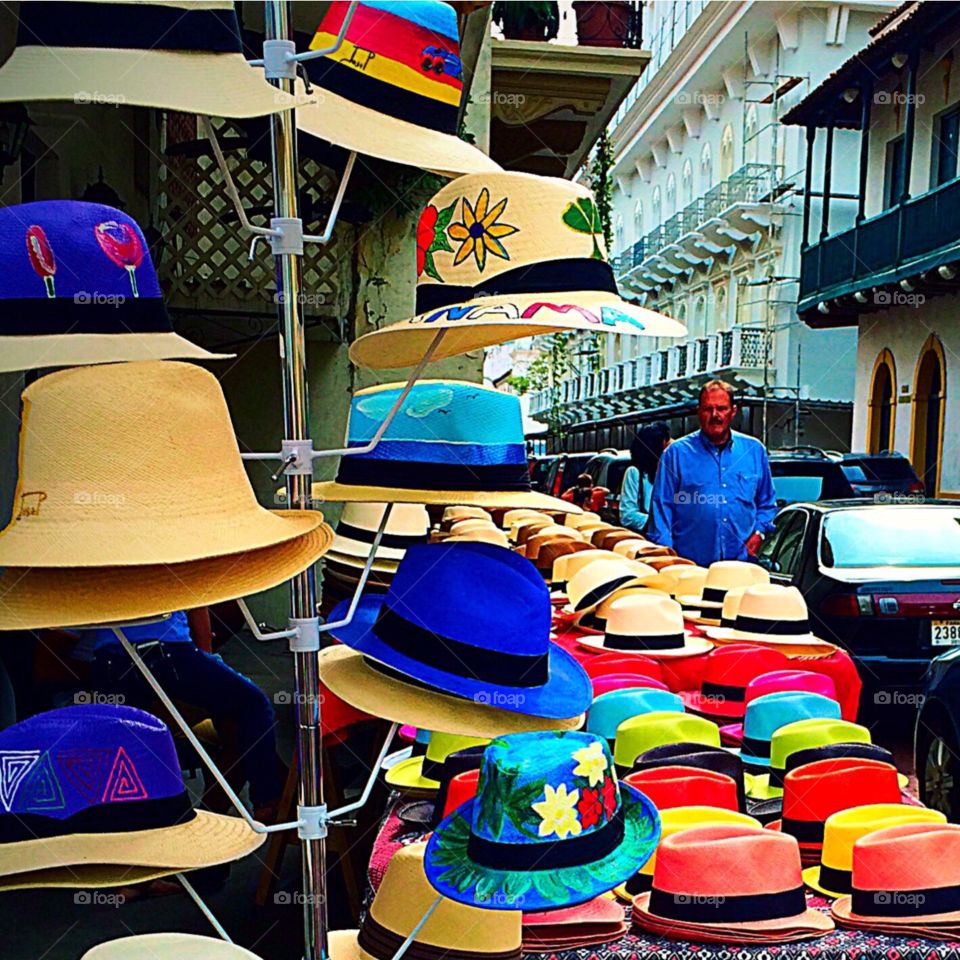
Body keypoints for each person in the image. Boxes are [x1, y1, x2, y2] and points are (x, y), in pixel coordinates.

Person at [68, 609, 285, 821]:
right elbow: (197, 608)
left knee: (234, 722)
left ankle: (212, 817)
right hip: (168, 656)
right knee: (253, 706)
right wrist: (208, 661)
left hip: (110, 667)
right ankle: (265, 803)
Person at [647, 379, 777, 567]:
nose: (715, 415)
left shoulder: (754, 451)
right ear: (698, 411)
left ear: (733, 411)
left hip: (741, 566)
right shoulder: (676, 454)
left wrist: (759, 534)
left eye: (721, 408)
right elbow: (661, 510)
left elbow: (767, 504)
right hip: (690, 568)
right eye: (708, 409)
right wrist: (670, 560)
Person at [620, 420, 671, 533]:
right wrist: (658, 522)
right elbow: (627, 515)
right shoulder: (635, 473)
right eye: (666, 449)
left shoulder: (670, 474)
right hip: (647, 536)